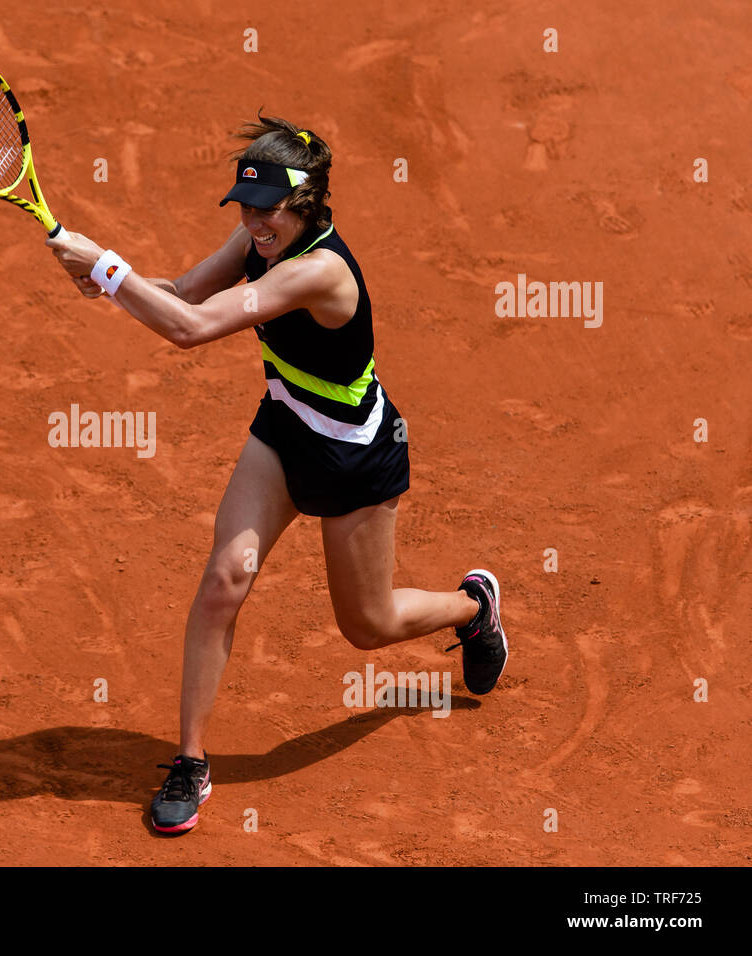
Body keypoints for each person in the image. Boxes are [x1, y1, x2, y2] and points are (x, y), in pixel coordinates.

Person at [47, 114, 508, 835]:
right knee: (224, 580)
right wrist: (112, 284)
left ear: (307, 204)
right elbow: (189, 298)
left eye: (267, 210)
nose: (254, 222)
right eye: (246, 208)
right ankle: (191, 762)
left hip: (355, 459)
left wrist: (107, 265)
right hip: (283, 435)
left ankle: (473, 608)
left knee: (369, 624)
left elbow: (189, 332)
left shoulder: (320, 271)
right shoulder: (257, 240)